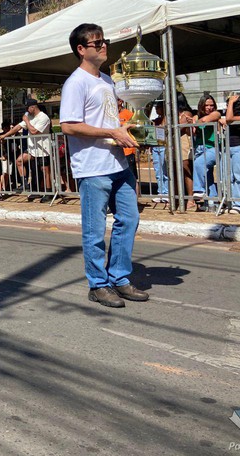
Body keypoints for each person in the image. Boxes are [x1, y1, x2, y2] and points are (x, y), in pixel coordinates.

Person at [61, 23, 148, 309]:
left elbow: (111, 121)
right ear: (81, 49)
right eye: (97, 43)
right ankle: (98, 285)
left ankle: (119, 278)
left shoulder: (108, 80)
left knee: (129, 219)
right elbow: (69, 126)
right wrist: (111, 132)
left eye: (104, 41)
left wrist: (132, 132)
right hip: (92, 168)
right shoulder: (76, 83)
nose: (103, 46)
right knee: (95, 230)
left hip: (118, 163)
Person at [191, 93, 221, 210]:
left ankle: (198, 190)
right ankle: (212, 203)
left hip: (212, 147)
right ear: (201, 106)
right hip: (199, 147)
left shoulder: (216, 114)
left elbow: (205, 120)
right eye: (206, 105)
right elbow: (193, 131)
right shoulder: (196, 116)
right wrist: (194, 123)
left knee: (199, 163)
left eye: (211, 105)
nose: (209, 107)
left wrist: (196, 122)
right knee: (207, 176)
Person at [149, 101, 169, 203]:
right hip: (156, 146)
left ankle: (167, 192)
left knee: (164, 170)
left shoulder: (167, 119)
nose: (157, 110)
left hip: (164, 146)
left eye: (159, 108)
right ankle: (160, 192)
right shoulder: (155, 120)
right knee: (158, 171)